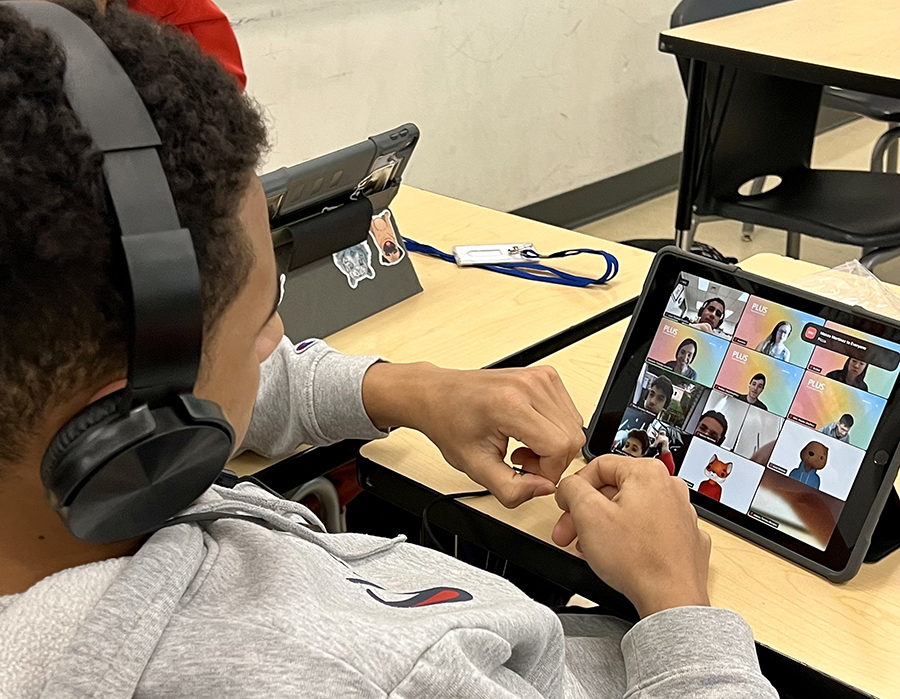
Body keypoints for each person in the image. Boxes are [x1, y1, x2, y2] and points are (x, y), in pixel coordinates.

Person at [0, 5, 777, 698]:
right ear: (132, 428)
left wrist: (406, 391)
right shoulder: (359, 675)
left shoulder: (47, 443)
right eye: (265, 312)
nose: (280, 344)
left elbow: (232, 387)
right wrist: (678, 603)